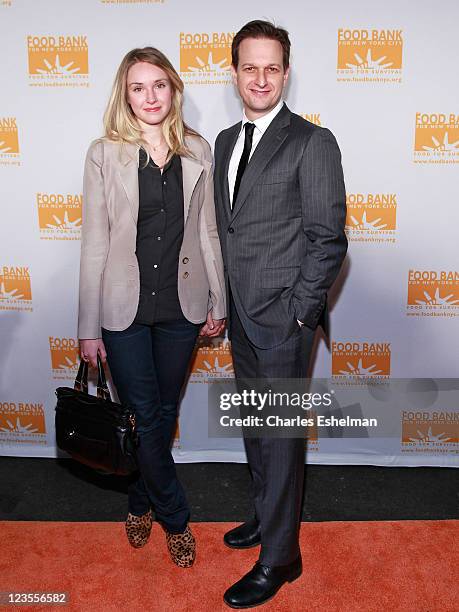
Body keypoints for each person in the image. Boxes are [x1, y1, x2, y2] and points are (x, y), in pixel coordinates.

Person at [213, 21, 347, 607]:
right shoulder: (224, 140)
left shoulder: (312, 142)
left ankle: (281, 559)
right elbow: (230, 230)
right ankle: (269, 523)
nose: (261, 78)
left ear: (286, 73)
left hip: (283, 321)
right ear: (236, 72)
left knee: (282, 437)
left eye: (272, 67)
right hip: (241, 316)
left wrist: (299, 314)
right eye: (250, 67)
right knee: (257, 430)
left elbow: (327, 240)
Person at [78, 47, 226, 569]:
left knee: (162, 414)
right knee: (143, 413)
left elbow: (207, 232)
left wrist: (218, 298)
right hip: (123, 311)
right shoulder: (104, 153)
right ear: (125, 95)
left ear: (174, 89)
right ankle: (177, 518)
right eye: (137, 87)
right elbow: (94, 244)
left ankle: (139, 503)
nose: (149, 96)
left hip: (181, 307)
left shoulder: (197, 150)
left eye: (158, 85)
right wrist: (86, 327)